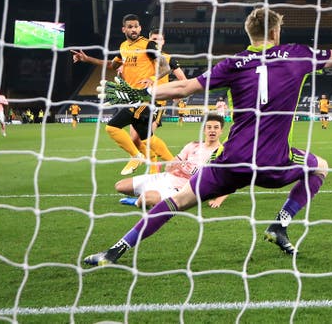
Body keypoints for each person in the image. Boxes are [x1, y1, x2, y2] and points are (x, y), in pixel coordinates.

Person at [84, 9, 332, 266]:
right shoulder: (296, 53)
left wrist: (144, 93)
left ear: (249, 32)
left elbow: (185, 87)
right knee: (319, 167)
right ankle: (280, 223)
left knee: (179, 202)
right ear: (276, 31)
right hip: (274, 163)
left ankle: (115, 250)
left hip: (231, 161)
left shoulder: (233, 62)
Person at [72, 14, 172, 176]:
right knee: (147, 139)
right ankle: (176, 164)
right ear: (124, 29)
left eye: (136, 26)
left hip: (144, 97)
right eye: (130, 27)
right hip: (132, 98)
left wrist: (152, 78)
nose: (133, 29)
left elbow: (165, 67)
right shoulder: (124, 46)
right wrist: (87, 59)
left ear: (140, 28)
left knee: (112, 127)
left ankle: (136, 156)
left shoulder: (148, 45)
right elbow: (112, 65)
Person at [117, 114, 227, 208]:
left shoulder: (221, 153)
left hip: (184, 189)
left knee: (147, 198)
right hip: (168, 177)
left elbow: (229, 179)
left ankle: (138, 201)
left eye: (216, 127)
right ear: (204, 130)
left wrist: (218, 200)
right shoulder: (193, 145)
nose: (212, 130)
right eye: (209, 127)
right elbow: (171, 165)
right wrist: (172, 165)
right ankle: (148, 196)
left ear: (221, 130)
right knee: (120, 186)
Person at [128, 28, 187, 174]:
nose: (156, 42)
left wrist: (176, 95)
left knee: (146, 138)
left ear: (163, 42)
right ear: (149, 41)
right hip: (140, 100)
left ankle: (158, 169)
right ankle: (154, 165)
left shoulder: (168, 59)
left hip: (157, 103)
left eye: (159, 39)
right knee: (133, 139)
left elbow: (183, 80)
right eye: (153, 39)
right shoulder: (141, 58)